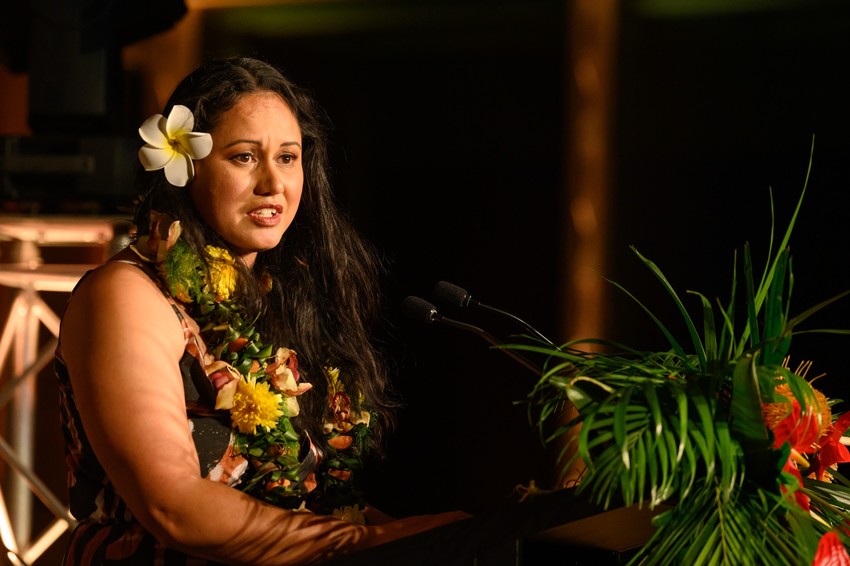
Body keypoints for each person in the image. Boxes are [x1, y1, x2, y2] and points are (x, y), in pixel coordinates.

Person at [55, 56, 466, 565]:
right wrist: (377, 543)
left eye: (288, 157)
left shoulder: (276, 296)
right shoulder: (126, 295)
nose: (274, 183)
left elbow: (312, 508)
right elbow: (173, 507)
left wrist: (435, 539)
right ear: (187, 166)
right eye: (245, 157)